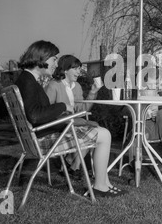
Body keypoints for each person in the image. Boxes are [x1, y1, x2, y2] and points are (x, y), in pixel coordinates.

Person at [15, 40, 126, 197]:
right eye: (54, 59)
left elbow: (37, 113)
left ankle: (105, 183)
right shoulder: (29, 82)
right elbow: (35, 115)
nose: (55, 64)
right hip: (45, 139)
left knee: (100, 131)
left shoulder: (26, 80)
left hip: (39, 136)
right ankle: (100, 185)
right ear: (42, 57)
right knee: (104, 135)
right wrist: (62, 107)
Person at [44, 54, 103, 180]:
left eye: (79, 68)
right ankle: (72, 163)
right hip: (57, 125)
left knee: (93, 128)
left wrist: (92, 93)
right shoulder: (54, 85)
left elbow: (82, 110)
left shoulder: (77, 87)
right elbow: (46, 111)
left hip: (72, 123)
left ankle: (73, 164)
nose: (79, 71)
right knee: (90, 129)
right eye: (75, 68)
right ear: (65, 69)